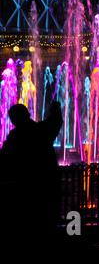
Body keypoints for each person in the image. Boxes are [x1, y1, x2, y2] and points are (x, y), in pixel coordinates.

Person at [0, 101, 62, 248]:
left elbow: (4, 159)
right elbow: (56, 122)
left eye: (12, 118)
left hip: (27, 186)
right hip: (46, 183)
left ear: (15, 119)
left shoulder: (16, 137)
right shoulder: (41, 129)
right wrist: (55, 108)